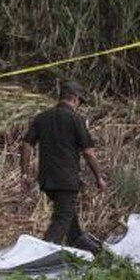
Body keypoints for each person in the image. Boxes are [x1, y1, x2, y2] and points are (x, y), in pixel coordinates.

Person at [20, 81, 107, 252]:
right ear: (74, 99)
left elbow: (26, 145)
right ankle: (37, 258)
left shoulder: (42, 117)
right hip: (66, 181)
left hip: (47, 181)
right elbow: (88, 153)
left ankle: (91, 252)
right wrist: (99, 177)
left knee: (70, 222)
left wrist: (25, 174)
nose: (79, 106)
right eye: (80, 102)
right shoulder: (76, 119)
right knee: (61, 220)